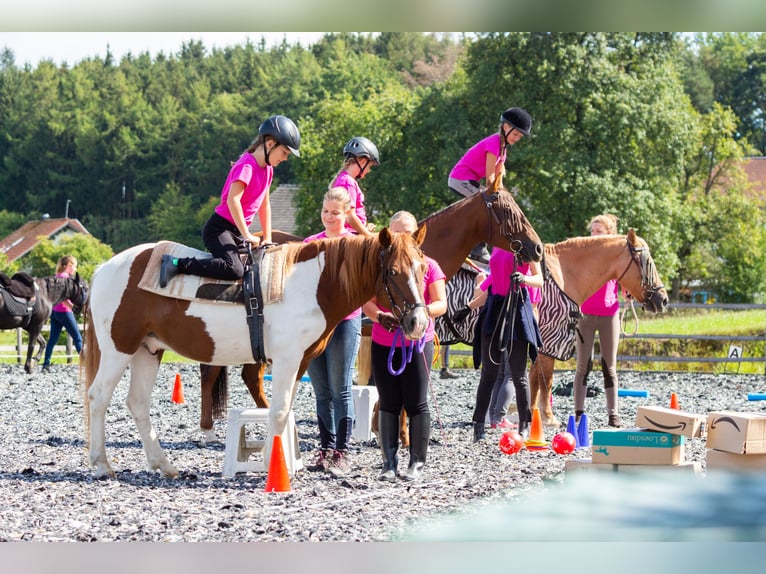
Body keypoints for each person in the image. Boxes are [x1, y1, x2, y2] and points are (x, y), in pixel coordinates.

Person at [160, 115, 300, 286]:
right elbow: (233, 201)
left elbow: (264, 205)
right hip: (219, 229)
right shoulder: (246, 166)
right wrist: (248, 235)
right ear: (270, 144)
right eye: (284, 152)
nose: (285, 158)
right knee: (234, 269)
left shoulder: (268, 170)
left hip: (237, 232)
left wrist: (267, 239)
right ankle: (177, 264)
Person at [362, 211, 447, 482]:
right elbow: (367, 300)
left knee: (418, 403)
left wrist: (421, 315)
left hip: (418, 342)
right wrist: (380, 316)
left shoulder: (429, 265)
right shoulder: (379, 265)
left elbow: (441, 303)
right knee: (388, 402)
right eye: (398, 232)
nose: (403, 238)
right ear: (389, 233)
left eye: (408, 233)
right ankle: (388, 462)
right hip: (384, 340)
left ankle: (417, 463)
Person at [304, 188, 362, 477]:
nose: (329, 217)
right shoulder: (311, 243)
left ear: (347, 213)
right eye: (325, 211)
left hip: (344, 322)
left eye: (335, 212)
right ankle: (325, 447)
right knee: (321, 390)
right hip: (314, 324)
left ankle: (343, 450)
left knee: (340, 388)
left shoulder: (355, 244)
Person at [457, 246, 542, 442]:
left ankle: (524, 426)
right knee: (489, 373)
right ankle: (478, 427)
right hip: (494, 309)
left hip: (517, 308)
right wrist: (468, 308)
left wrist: (525, 279)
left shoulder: (528, 246)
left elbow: (539, 280)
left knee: (518, 374)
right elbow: (492, 283)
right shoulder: (496, 246)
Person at [448, 107, 532, 263]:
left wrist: (504, 197)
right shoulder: (494, 143)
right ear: (506, 127)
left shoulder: (503, 149)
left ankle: (477, 245)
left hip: (470, 181)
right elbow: (489, 177)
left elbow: (498, 179)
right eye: (515, 134)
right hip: (460, 180)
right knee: (487, 205)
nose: (517, 138)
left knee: (495, 203)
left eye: (520, 136)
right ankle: (477, 248)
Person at [574, 214, 624, 428]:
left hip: (609, 314)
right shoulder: (583, 253)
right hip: (585, 314)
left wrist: (628, 292)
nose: (594, 234)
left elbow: (625, 277)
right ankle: (578, 414)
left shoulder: (617, 255)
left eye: (599, 231)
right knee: (582, 365)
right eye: (592, 230)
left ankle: (613, 415)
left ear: (609, 234)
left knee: (609, 366)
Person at [330, 136, 380, 236]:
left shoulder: (344, 179)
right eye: (369, 166)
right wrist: (367, 235)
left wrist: (364, 228)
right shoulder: (348, 182)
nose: (369, 170)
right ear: (362, 162)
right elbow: (350, 217)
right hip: (351, 236)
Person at [41, 255, 83, 372]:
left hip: (54, 312)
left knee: (53, 339)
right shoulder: (66, 278)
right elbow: (63, 296)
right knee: (78, 338)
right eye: (74, 266)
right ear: (68, 266)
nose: (75, 269)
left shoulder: (56, 276)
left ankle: (46, 364)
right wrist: (72, 307)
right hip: (64, 312)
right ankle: (85, 363)